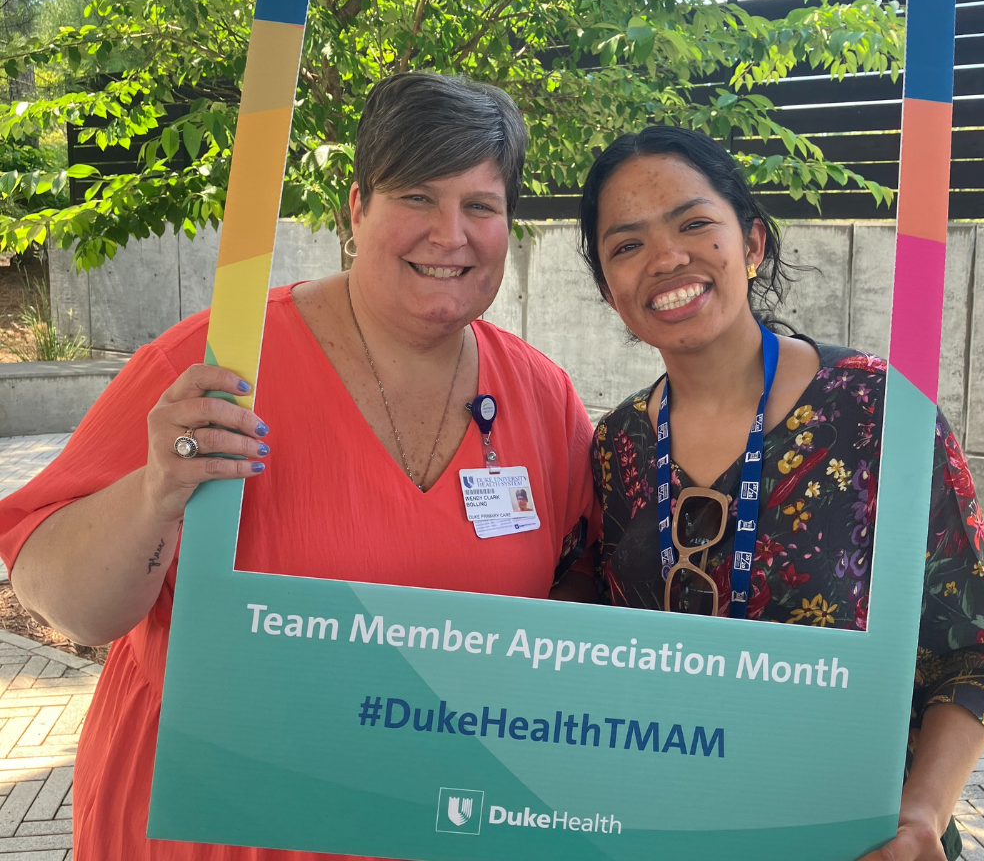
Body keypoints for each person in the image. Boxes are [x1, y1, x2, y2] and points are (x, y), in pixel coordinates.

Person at [0, 72, 598, 861]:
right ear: (357, 208)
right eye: (416, 197)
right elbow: (64, 604)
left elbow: (580, 604)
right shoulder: (215, 365)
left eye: (480, 205)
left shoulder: (543, 396)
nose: (450, 233)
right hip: (215, 823)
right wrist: (157, 494)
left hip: (435, 824)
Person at [577, 125, 984, 861]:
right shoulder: (617, 444)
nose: (666, 258)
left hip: (854, 838)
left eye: (695, 224)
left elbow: (983, 655)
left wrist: (920, 813)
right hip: (669, 831)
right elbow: (582, 642)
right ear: (608, 288)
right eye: (626, 245)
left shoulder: (880, 413)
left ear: (752, 243)